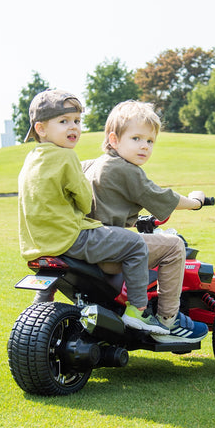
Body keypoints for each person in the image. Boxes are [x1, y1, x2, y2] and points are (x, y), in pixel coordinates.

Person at [18, 89, 169, 335]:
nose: (73, 127)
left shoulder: (32, 158)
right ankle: (138, 310)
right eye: (64, 121)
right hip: (71, 238)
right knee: (135, 244)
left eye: (77, 121)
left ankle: (38, 310)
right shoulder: (66, 157)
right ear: (42, 129)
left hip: (39, 242)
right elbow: (85, 200)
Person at [82, 100, 208, 343]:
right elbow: (160, 197)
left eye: (150, 141)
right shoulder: (127, 170)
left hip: (87, 243)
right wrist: (195, 202)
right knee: (173, 247)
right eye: (137, 138)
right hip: (109, 249)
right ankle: (168, 320)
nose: (145, 146)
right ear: (114, 139)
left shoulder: (92, 164)